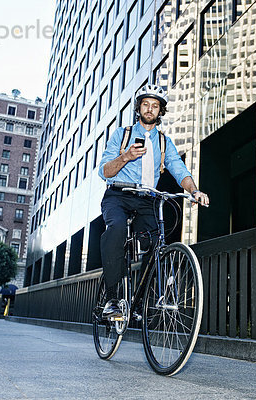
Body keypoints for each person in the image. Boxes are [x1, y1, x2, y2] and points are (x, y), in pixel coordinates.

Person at [97, 84, 209, 317]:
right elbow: (105, 171)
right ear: (139, 108)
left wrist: (194, 191)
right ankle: (112, 298)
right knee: (116, 229)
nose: (150, 109)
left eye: (155, 106)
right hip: (118, 195)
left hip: (146, 199)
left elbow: (179, 170)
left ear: (160, 111)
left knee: (156, 242)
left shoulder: (163, 142)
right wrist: (126, 156)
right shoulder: (122, 134)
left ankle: (140, 298)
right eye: (146, 104)